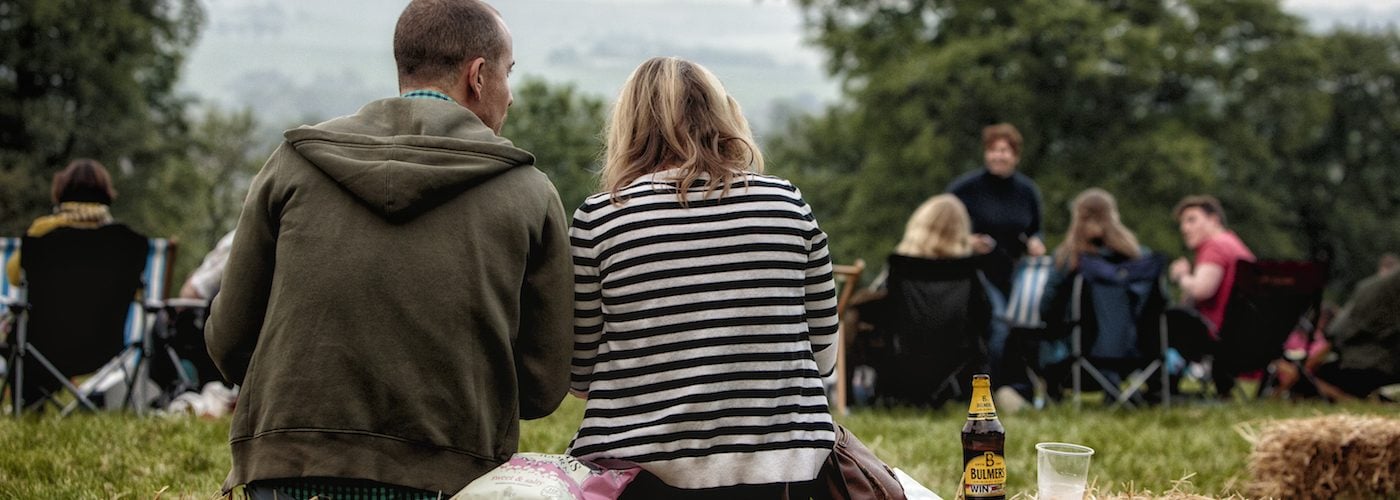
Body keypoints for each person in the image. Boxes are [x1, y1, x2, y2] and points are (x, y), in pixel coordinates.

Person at [204, 0, 575, 496]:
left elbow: (228, 339)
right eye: (509, 74)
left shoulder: (292, 163)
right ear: (479, 76)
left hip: (286, 466)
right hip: (447, 478)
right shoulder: (530, 193)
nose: (510, 97)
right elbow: (544, 382)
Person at [567, 56, 838, 498]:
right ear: (723, 115)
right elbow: (824, 358)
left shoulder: (601, 218)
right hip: (780, 472)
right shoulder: (787, 204)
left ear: (629, 127)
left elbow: (580, 377)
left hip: (636, 475)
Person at [5, 159, 148, 409]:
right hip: (104, 348)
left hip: (42, 348)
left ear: (61, 192)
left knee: (18, 334)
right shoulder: (128, 243)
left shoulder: (42, 235)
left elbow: (14, 276)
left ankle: (30, 405)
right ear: (106, 193)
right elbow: (137, 293)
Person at [852, 194, 992, 408]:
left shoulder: (900, 267)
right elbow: (985, 321)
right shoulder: (968, 272)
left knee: (853, 317)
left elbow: (878, 312)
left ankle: (846, 398)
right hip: (953, 366)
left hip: (900, 363)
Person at [947, 123, 1045, 400]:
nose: (998, 156)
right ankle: (989, 390)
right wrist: (968, 241)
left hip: (1013, 270)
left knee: (1025, 325)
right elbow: (942, 225)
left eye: (1004, 151)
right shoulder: (965, 189)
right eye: (993, 150)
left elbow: (1035, 228)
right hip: (974, 271)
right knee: (1000, 322)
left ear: (1015, 155)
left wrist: (1036, 241)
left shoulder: (1027, 191)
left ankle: (1022, 385)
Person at [1039, 188, 1150, 399]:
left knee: (1040, 334)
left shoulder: (1068, 259)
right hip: (1133, 352)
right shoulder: (1138, 259)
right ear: (1113, 216)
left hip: (1078, 355)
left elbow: (1046, 307)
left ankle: (1050, 394)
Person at [1168, 194, 1255, 397]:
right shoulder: (1235, 244)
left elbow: (1201, 289)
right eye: (1182, 223)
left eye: (1192, 220)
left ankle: (1162, 387)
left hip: (1217, 335)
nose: (1184, 228)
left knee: (1164, 322)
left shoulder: (1215, 246)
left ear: (1214, 220)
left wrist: (1182, 276)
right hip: (1246, 335)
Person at [1312, 269, 1400, 400]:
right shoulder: (1380, 289)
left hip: (1367, 363)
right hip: (1372, 363)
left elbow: (1336, 334)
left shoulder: (1373, 289)